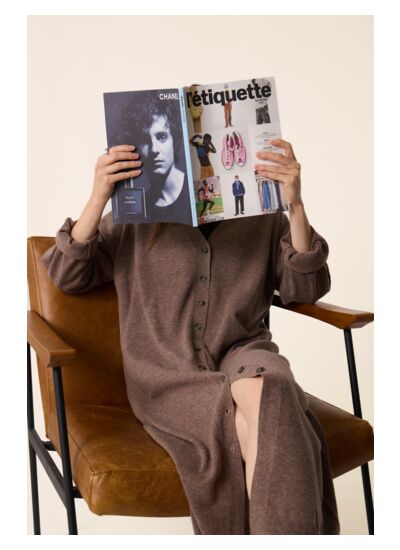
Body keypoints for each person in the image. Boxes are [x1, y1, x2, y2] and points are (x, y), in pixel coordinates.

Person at [40, 139, 340, 535]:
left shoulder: (260, 215)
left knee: (276, 388)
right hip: (168, 374)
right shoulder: (137, 217)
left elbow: (305, 289)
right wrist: (98, 197)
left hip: (243, 351)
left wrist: (295, 205)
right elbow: (66, 275)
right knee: (265, 426)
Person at [129, 95, 191, 224]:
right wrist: (99, 197)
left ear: (174, 140)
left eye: (162, 137)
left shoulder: (197, 188)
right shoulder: (137, 208)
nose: (154, 149)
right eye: (145, 140)